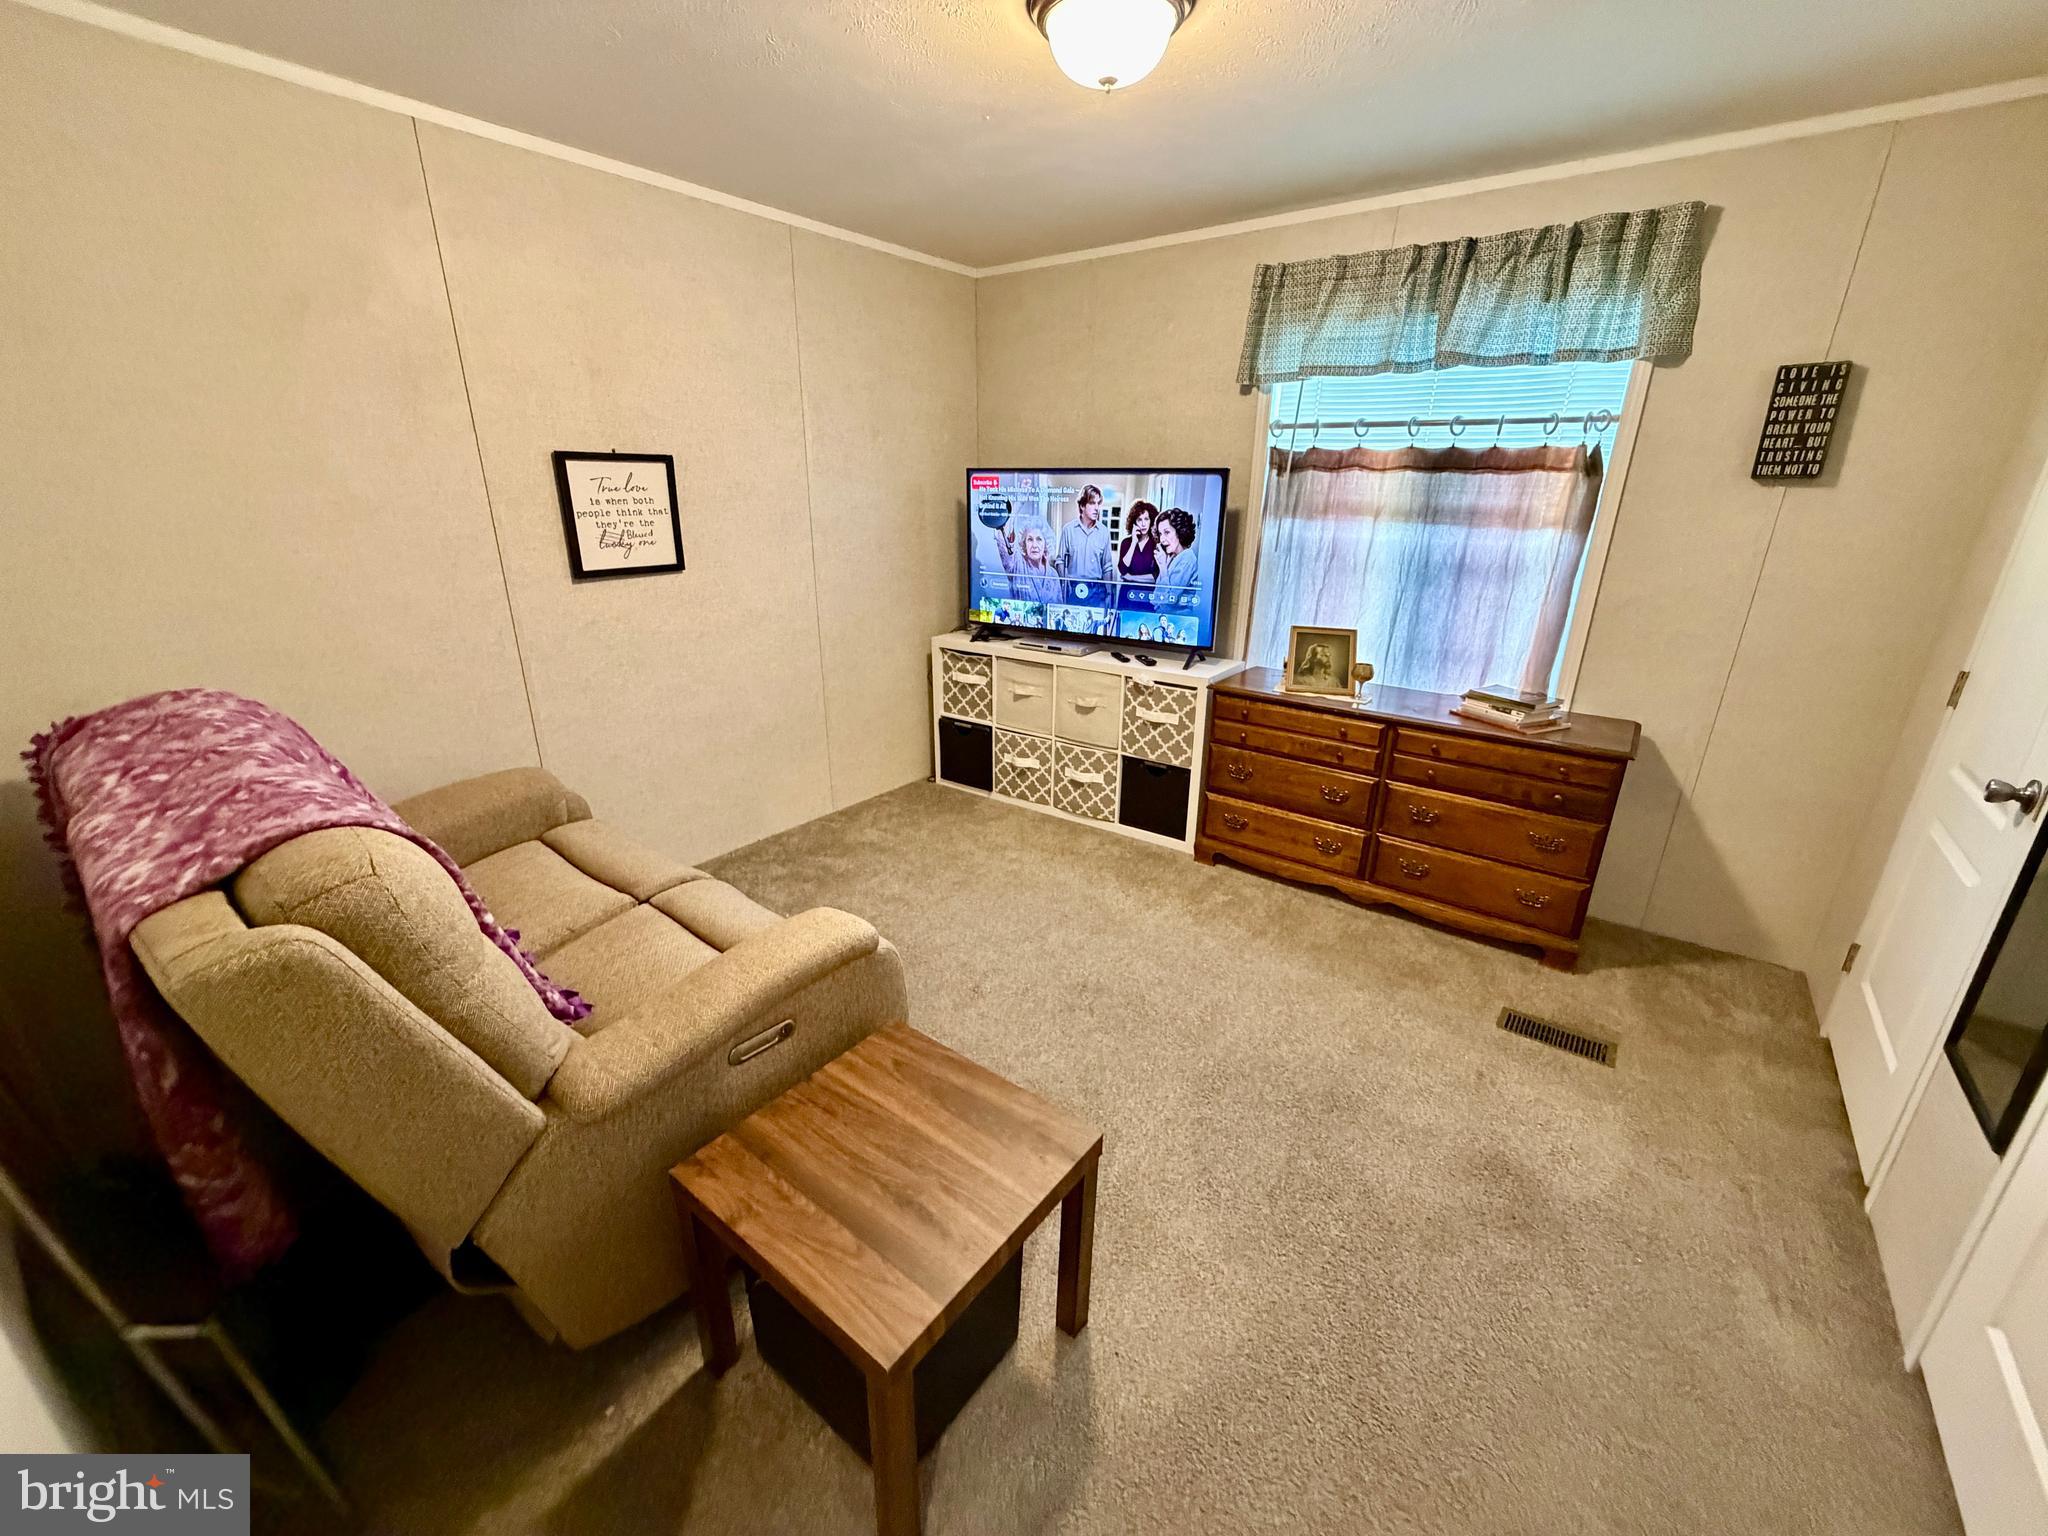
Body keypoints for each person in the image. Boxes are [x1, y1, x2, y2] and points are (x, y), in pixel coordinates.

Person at [994, 519, 1063, 605]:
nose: (1034, 545)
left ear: (1046, 544)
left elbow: (1058, 606)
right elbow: (1003, 541)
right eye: (1030, 539)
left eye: (1039, 539)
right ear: (1024, 544)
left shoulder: (1053, 574)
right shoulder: (1017, 564)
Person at [1054, 484, 1113, 583]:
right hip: (1073, 588)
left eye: (1098, 504)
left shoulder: (1104, 532)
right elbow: (1060, 561)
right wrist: (1065, 582)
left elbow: (1107, 566)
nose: (1097, 508)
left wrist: (1109, 594)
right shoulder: (1068, 530)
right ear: (1082, 506)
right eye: (1092, 503)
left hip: (1096, 590)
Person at [1152, 507, 1203, 606]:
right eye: (1160, 534)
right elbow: (1155, 598)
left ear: (1180, 532)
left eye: (1167, 532)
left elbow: (1169, 600)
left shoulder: (1187, 559)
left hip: (1178, 619)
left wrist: (1163, 568)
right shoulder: (1172, 557)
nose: (1162, 540)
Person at [1116, 501, 1160, 586]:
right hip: (1127, 592)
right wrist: (1133, 542)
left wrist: (1132, 578)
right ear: (1134, 523)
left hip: (1148, 594)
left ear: (1151, 521)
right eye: (1139, 520)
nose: (1143, 524)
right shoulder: (1126, 543)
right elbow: (1123, 570)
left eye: (1146, 519)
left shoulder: (1156, 544)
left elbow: (1157, 576)